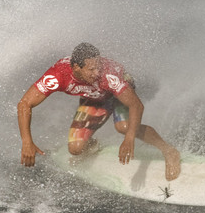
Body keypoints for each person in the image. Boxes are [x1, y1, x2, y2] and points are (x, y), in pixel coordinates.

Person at [18, 43, 183, 181]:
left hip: (117, 92)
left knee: (124, 127)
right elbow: (25, 104)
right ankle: (92, 146)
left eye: (98, 67)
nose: (96, 73)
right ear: (76, 67)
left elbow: (136, 106)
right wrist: (27, 141)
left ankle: (169, 150)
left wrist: (129, 138)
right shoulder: (58, 75)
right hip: (95, 97)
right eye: (91, 69)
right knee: (75, 149)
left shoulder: (108, 76)